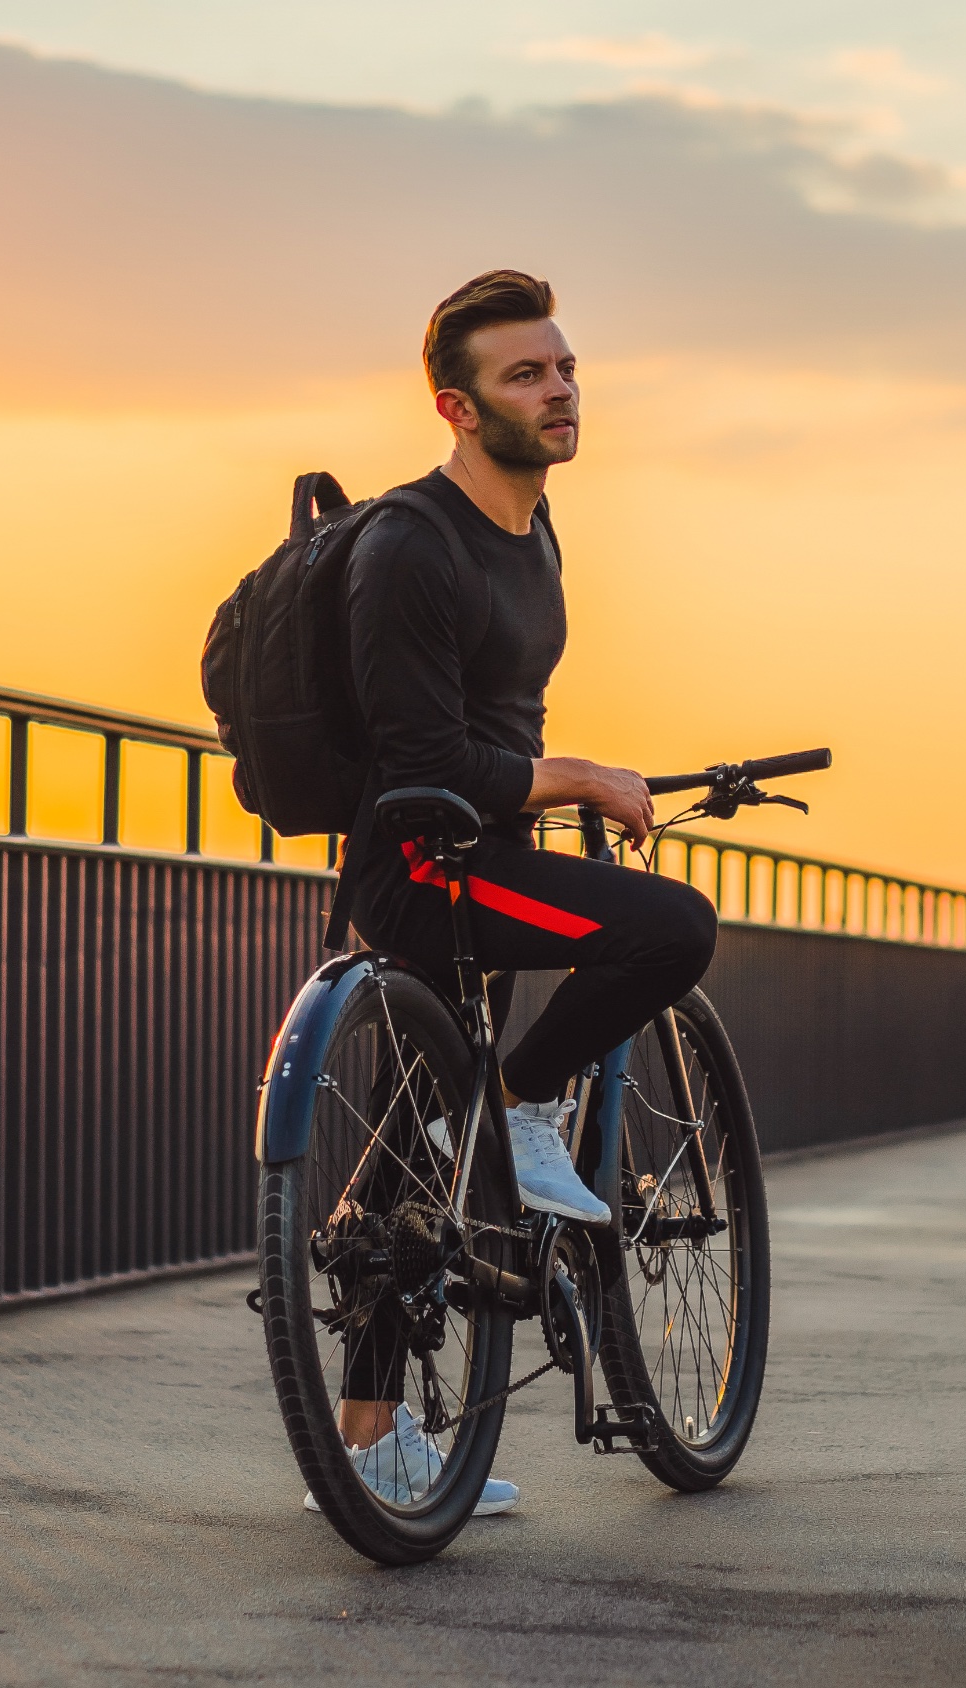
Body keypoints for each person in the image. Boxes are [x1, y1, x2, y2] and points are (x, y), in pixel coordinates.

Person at [317, 270, 718, 1515]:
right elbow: (433, 765)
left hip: (486, 846)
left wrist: (561, 780)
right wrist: (583, 777)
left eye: (565, 368)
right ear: (455, 405)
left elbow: (496, 723)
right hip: (429, 865)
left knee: (412, 1157)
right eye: (527, 375)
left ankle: (375, 1432)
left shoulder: (533, 526)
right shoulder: (407, 546)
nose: (561, 391)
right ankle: (521, 1099)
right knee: (673, 929)